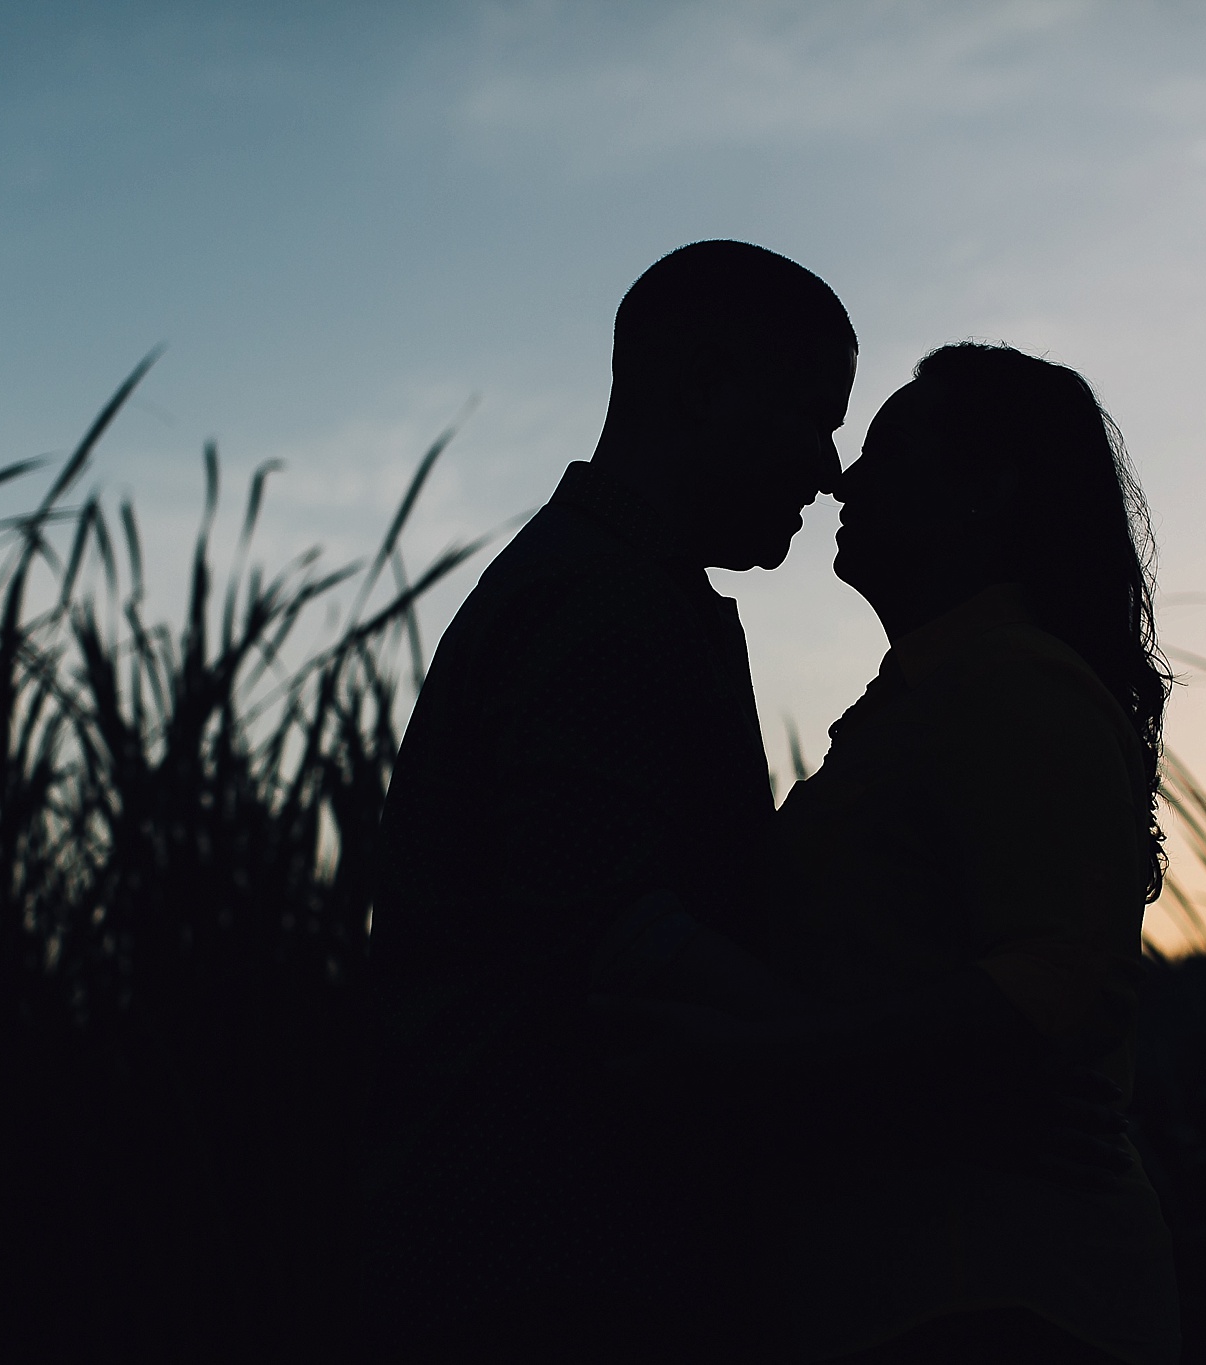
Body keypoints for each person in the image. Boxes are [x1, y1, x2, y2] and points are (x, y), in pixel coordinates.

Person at [593, 342, 1182, 1364]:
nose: (838, 478)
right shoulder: (925, 700)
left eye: (886, 449)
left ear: (984, 492)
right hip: (913, 1290)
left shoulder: (1014, 686)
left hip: (1002, 1299)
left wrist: (749, 1062)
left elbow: (1047, 993)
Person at [359, 239, 856, 1362]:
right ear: (702, 386)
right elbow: (605, 927)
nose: (828, 470)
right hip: (548, 1270)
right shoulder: (602, 603)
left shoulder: (604, 584)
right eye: (810, 414)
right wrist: (853, 1058)